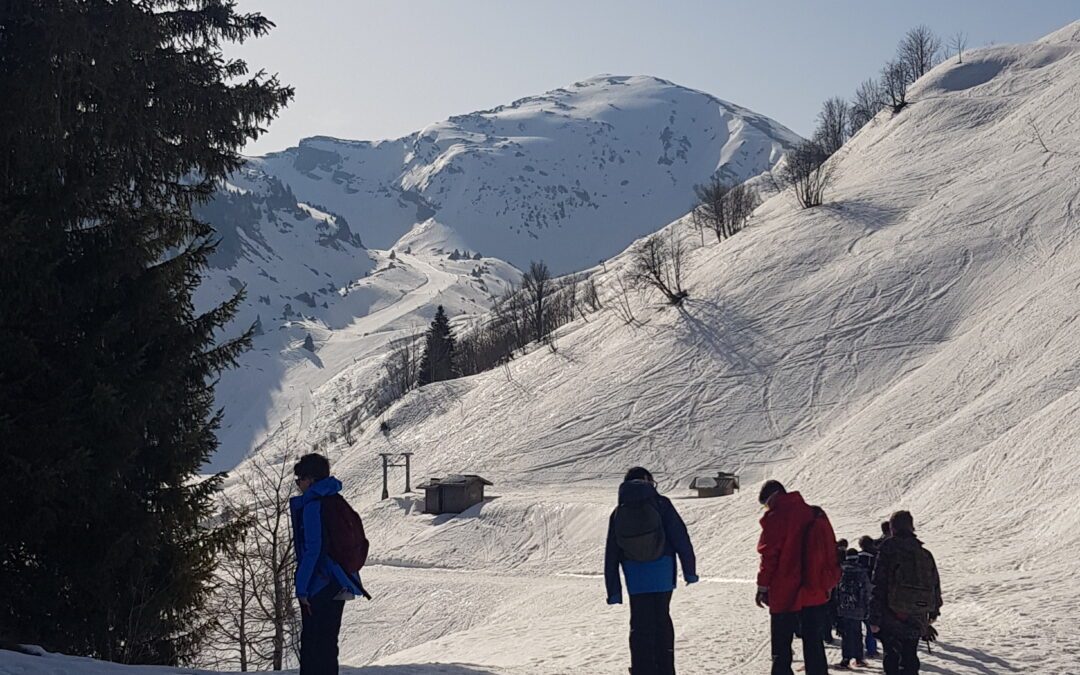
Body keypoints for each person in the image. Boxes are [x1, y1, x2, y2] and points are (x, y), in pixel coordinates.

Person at [605, 467, 698, 675]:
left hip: (635, 577)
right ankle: (665, 669)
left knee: (639, 623)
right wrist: (689, 571)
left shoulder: (619, 511)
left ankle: (642, 669)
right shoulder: (661, 504)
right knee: (661, 619)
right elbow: (680, 537)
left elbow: (611, 553)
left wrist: (613, 591)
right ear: (648, 480)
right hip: (662, 572)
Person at [291, 453, 366, 675]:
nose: (298, 485)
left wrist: (302, 589)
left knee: (313, 647)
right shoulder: (335, 498)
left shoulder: (314, 505)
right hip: (340, 580)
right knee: (328, 645)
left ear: (310, 480)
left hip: (319, 585)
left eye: (300, 479)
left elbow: (313, 550)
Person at [755, 480, 839, 675]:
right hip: (814, 590)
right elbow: (830, 551)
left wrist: (762, 587)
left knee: (781, 646)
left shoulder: (776, 518)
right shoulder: (815, 513)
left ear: (773, 497)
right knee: (814, 643)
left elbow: (769, 557)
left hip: (785, 592)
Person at [869, 511, 942, 675]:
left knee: (892, 657)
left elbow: (878, 585)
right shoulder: (924, 554)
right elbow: (934, 584)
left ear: (892, 528)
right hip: (916, 615)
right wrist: (933, 611)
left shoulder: (888, 552)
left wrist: (874, 617)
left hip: (890, 614)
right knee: (910, 656)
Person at [835, 549, 871, 670]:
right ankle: (859, 658)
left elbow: (836, 590)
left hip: (844, 607)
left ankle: (846, 658)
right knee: (857, 632)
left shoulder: (841, 571)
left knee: (846, 634)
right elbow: (867, 591)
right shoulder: (861, 572)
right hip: (858, 607)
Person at [857, 536, 880, 659]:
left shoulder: (857, 557)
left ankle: (857, 650)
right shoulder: (876, 557)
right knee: (870, 622)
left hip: (856, 595)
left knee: (856, 625)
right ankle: (871, 649)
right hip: (871, 592)